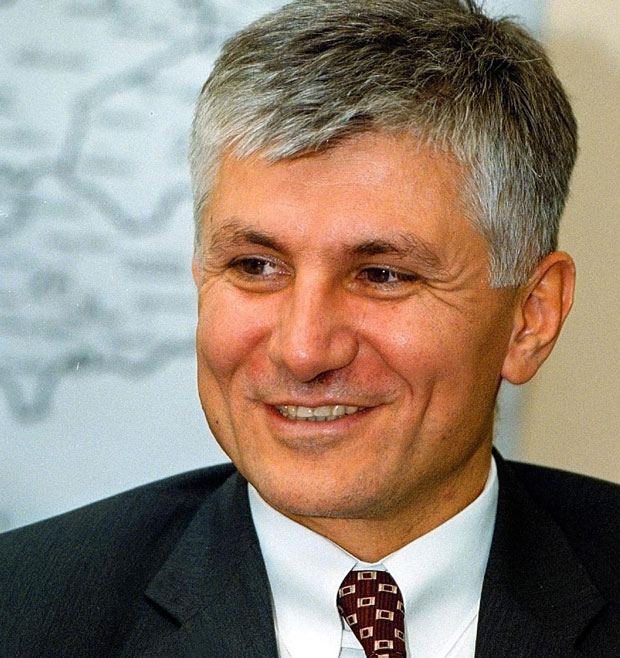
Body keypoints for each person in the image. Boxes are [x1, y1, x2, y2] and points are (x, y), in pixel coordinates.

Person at [1, 1, 619, 656]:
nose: (302, 351)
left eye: (382, 275)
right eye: (256, 266)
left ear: (530, 317)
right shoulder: (23, 614)